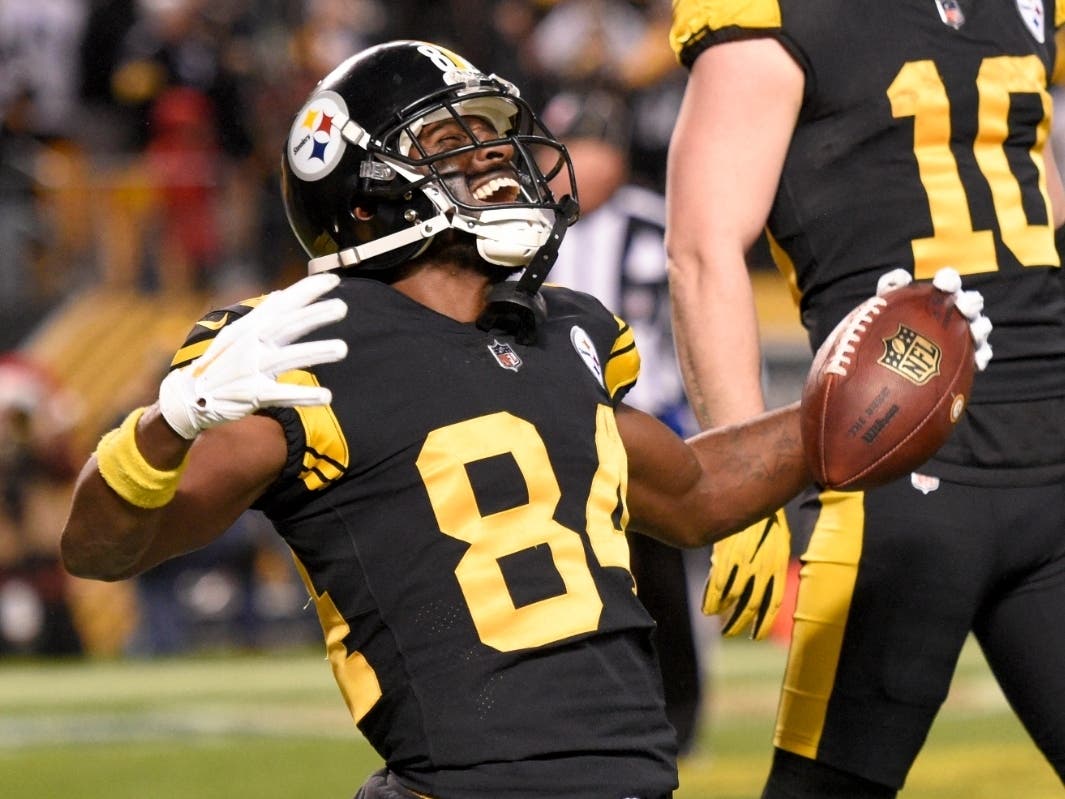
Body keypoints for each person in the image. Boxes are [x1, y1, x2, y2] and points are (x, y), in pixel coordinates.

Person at [59, 40, 981, 799]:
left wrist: (853, 407)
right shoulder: (308, 349)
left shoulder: (562, 331)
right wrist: (163, 426)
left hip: (633, 777)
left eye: (497, 136)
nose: (497, 156)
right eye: (452, 141)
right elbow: (101, 549)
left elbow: (693, 492)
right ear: (363, 186)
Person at [665, 3, 1065, 797]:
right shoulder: (774, 15)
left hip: (1051, 450)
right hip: (894, 464)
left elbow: (1041, 200)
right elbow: (702, 246)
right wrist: (740, 478)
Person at [544, 84, 704, 755]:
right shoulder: (527, 229)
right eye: (559, 153)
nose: (569, 168)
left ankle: (678, 715)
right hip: (552, 426)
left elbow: (694, 321)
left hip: (642, 419)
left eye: (583, 148)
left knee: (656, 580)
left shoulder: (655, 222)